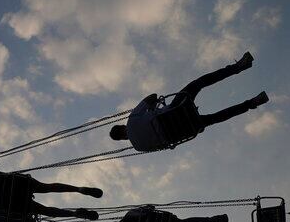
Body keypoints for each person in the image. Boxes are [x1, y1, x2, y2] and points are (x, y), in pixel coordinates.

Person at [110, 52, 268, 151]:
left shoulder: (139, 147)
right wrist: (151, 107)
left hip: (185, 130)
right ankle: (239, 67)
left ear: (123, 139)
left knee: (217, 118)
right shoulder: (132, 120)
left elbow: (163, 147)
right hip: (177, 109)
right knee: (197, 84)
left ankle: (253, 102)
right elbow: (152, 96)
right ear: (121, 126)